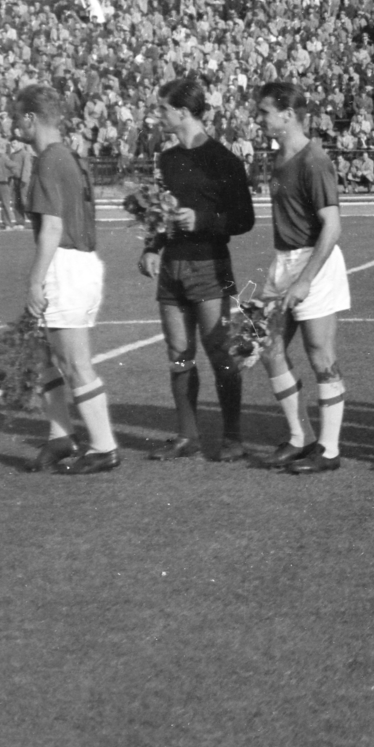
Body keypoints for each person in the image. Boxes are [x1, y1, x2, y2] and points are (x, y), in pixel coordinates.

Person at [142, 78, 256, 463]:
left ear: (183, 112)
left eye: (163, 109)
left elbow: (244, 219)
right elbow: (159, 212)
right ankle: (186, 435)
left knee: (220, 352)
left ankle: (234, 437)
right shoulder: (167, 158)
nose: (159, 116)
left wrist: (203, 219)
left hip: (211, 266)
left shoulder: (223, 159)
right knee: (178, 352)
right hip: (172, 268)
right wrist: (152, 247)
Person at [15, 85, 121, 474]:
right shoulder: (71, 156)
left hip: (66, 264)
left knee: (74, 363)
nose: (15, 125)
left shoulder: (48, 159)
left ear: (30, 118)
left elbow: (53, 227)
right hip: (82, 263)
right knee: (47, 356)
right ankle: (60, 437)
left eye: (17, 117)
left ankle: (104, 447)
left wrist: (34, 280)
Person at [253, 82, 351, 475]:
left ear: (287, 115)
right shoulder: (279, 159)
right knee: (268, 347)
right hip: (284, 262)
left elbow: (332, 226)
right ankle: (300, 437)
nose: (259, 118)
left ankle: (328, 450)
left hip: (315, 263)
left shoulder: (315, 160)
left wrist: (306, 279)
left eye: (264, 112)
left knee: (320, 354)